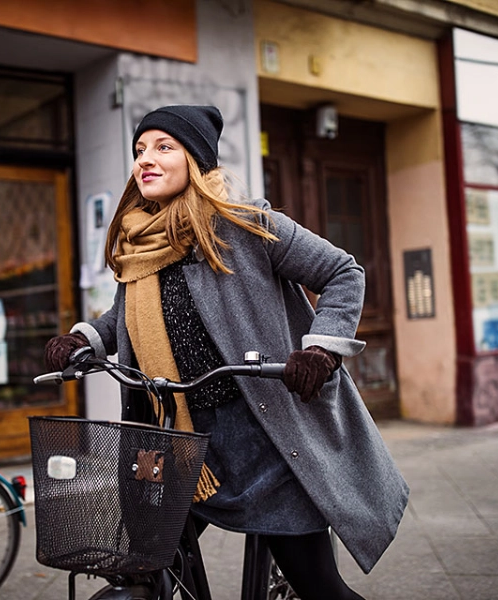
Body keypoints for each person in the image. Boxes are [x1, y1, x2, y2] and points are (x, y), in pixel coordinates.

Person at [44, 104, 409, 599]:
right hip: (178, 440)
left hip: (268, 437)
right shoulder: (139, 246)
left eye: (163, 147)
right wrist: (84, 340)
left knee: (318, 587)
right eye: (139, 150)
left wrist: (321, 349)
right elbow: (121, 319)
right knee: (142, 566)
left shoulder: (247, 225)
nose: (144, 160)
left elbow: (343, 272)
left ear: (195, 160)